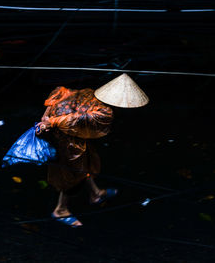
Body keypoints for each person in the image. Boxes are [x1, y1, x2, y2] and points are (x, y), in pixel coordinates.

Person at [37, 73, 149, 228]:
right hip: (67, 143)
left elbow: (60, 92)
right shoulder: (105, 112)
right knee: (72, 175)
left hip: (70, 138)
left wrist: (48, 118)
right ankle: (60, 209)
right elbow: (75, 120)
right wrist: (51, 122)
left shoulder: (89, 93)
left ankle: (95, 193)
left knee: (86, 164)